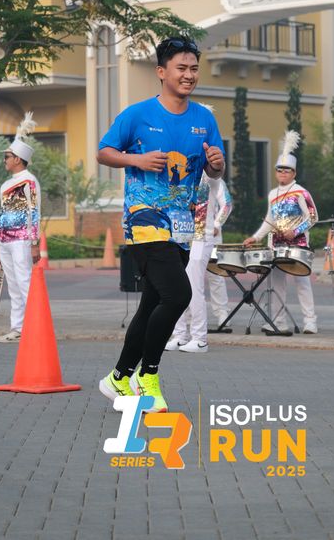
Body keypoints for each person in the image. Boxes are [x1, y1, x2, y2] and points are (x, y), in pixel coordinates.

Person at [97, 37, 225, 411]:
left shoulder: (204, 118)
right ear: (161, 71)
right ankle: (147, 376)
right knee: (178, 295)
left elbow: (215, 171)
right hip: (145, 221)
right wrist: (135, 160)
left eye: (194, 68)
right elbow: (104, 152)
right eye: (181, 68)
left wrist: (217, 164)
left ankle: (118, 378)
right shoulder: (137, 114)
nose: (189, 75)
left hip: (182, 226)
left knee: (152, 303)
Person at [244, 130, 318, 334]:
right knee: (277, 284)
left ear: (294, 173)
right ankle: (278, 321)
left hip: (298, 245)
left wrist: (296, 231)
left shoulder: (301, 192)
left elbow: (313, 217)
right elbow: (269, 220)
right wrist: (255, 237)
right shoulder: (272, 194)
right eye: (279, 170)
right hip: (276, 245)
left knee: (302, 282)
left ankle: (310, 322)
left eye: (287, 171)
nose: (283, 173)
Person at [165, 171, 232, 352]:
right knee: (177, 286)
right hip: (179, 236)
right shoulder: (178, 174)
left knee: (195, 286)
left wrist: (216, 225)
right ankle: (180, 335)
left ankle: (199, 338)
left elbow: (227, 204)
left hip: (202, 235)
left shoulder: (209, 176)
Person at [0, 113, 41, 343]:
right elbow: (3, 214)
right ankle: (17, 328)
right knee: (13, 285)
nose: (4, 160)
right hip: (6, 241)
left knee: (25, 283)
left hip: (22, 240)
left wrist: (34, 243)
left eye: (7, 156)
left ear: (18, 159)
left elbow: (34, 212)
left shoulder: (29, 181)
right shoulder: (5, 184)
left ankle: (35, 327)